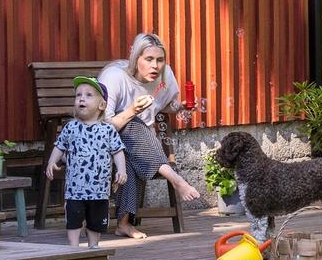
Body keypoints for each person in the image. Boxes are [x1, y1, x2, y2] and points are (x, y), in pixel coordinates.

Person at [97, 32, 204, 237]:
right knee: (132, 124)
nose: (155, 66)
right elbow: (102, 127)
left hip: (138, 149)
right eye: (149, 59)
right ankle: (177, 180)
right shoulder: (114, 77)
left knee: (129, 159)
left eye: (160, 60)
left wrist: (181, 107)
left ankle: (123, 224)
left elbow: (166, 106)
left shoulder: (165, 76)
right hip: (102, 142)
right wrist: (131, 112)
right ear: (136, 59)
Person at [44, 78, 127, 247]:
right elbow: (59, 146)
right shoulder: (71, 127)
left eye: (88, 95)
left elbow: (118, 151)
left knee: (96, 221)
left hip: (99, 190)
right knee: (74, 218)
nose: (81, 98)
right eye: (78, 95)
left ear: (102, 105)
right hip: (75, 189)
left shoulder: (108, 129)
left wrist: (122, 170)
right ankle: (73, 247)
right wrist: (52, 162)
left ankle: (93, 246)